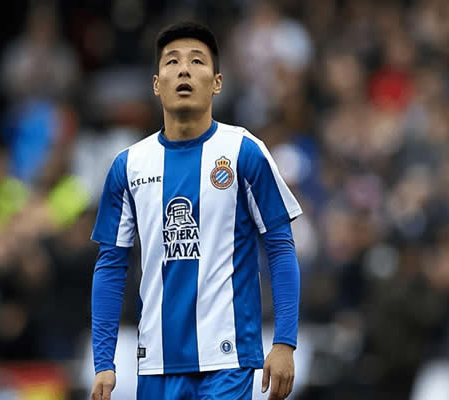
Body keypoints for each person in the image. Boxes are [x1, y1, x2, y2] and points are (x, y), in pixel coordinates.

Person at [90, 21, 302, 400]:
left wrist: (284, 341)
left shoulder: (244, 152)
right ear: (157, 84)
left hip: (228, 360)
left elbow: (281, 246)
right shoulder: (129, 166)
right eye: (172, 61)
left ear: (217, 82)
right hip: (157, 363)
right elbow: (110, 264)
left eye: (197, 61)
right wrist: (104, 361)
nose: (184, 70)